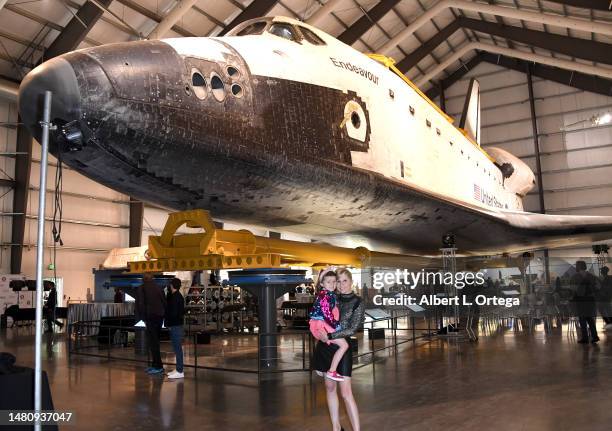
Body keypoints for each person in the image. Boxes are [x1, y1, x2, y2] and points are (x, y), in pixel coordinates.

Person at [313, 267, 364, 431]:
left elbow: (352, 328)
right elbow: (319, 291)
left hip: (342, 348)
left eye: (344, 281)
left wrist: (330, 336)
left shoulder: (358, 302)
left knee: (346, 393)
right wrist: (322, 274)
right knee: (329, 388)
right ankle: (336, 427)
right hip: (325, 347)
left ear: (351, 281)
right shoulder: (331, 296)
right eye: (338, 281)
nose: (341, 285)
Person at [309, 270, 349, 381]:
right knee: (344, 345)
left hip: (323, 324)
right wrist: (337, 326)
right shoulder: (325, 296)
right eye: (328, 282)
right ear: (322, 284)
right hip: (324, 324)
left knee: (330, 345)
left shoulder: (328, 294)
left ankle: (321, 367)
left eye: (334, 281)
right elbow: (327, 314)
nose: (332, 284)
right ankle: (332, 370)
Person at [136, 273, 167, 374]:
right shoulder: (159, 287)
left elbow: (140, 304)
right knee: (156, 341)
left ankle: (158, 366)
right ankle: (155, 364)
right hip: (159, 317)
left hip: (150, 318)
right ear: (152, 279)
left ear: (143, 280)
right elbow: (164, 302)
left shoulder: (141, 288)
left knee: (153, 343)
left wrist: (143, 318)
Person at [570, 260, 599, 344]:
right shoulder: (592, 276)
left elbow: (573, 289)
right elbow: (597, 287)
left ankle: (585, 338)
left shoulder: (575, 277)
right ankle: (595, 336)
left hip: (581, 300)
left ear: (578, 267)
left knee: (582, 320)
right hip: (590, 301)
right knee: (590, 319)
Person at [166, 278, 185, 379]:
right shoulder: (177, 296)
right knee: (176, 348)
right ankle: (178, 368)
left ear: (172, 285)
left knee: (177, 349)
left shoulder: (176, 297)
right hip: (176, 325)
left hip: (175, 326)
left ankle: (180, 370)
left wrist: (168, 323)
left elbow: (173, 313)